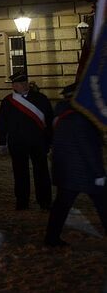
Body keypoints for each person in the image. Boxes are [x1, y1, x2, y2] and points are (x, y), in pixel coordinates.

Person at [44, 83, 107, 246]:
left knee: (61, 207)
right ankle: (51, 238)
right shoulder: (80, 118)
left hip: (66, 171)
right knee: (103, 204)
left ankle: (51, 238)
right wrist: (99, 173)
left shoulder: (61, 114)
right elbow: (89, 149)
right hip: (84, 172)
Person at [0, 71, 53, 210]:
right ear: (14, 86)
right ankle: (22, 201)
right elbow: (2, 123)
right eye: (20, 83)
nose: (24, 85)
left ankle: (44, 201)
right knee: (20, 173)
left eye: (25, 82)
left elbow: (50, 120)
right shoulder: (8, 102)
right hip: (18, 143)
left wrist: (50, 140)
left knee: (42, 173)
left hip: (38, 142)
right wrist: (2, 142)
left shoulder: (41, 99)